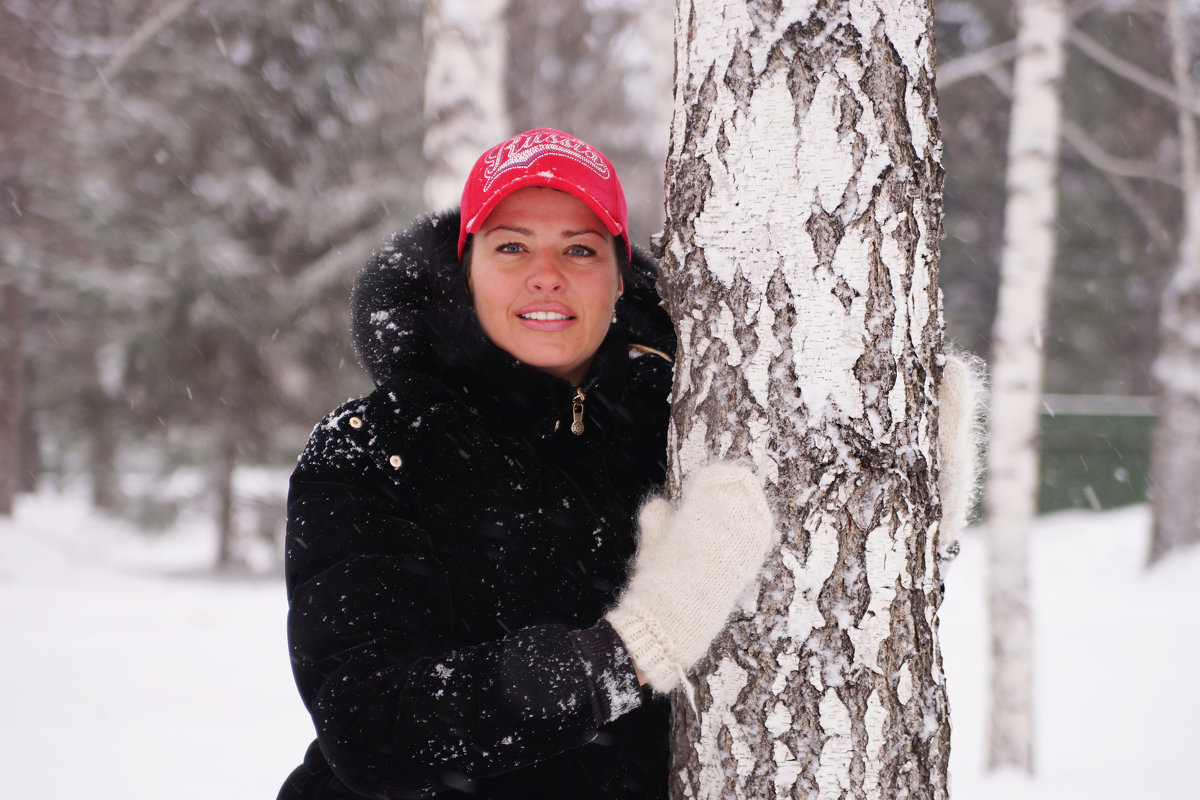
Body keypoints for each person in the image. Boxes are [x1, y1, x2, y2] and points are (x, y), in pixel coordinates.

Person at [277, 128, 777, 800]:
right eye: (512, 246)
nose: (547, 273)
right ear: (466, 268)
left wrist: (894, 502)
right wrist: (626, 653)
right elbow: (371, 729)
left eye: (580, 249)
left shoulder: (682, 430)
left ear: (619, 277)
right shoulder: (372, 447)